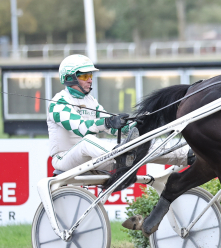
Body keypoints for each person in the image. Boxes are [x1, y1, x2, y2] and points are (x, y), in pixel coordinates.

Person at [48, 55, 188, 175]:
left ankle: (186, 155)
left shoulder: (91, 101)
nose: (90, 80)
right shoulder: (58, 103)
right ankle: (122, 154)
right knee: (87, 141)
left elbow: (112, 128)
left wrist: (134, 125)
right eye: (85, 76)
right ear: (69, 78)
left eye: (90, 75)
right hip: (64, 160)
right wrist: (108, 122)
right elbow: (81, 128)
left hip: (94, 159)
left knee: (142, 143)